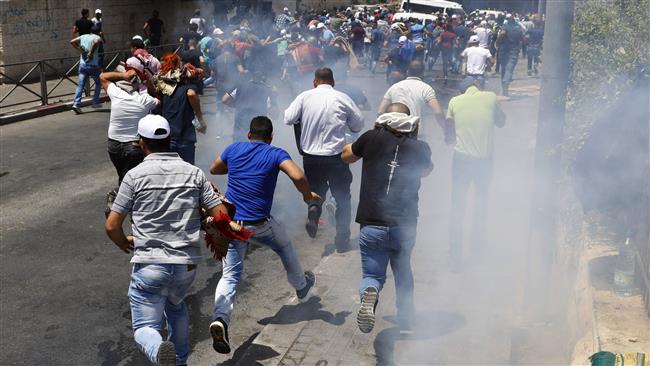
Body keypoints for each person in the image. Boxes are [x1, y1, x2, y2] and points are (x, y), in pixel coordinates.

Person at [105, 115, 230, 366]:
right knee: (176, 306)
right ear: (169, 140)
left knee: (144, 327)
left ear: (141, 143)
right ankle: (180, 360)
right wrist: (204, 223)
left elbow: (112, 225)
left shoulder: (134, 176)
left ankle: (159, 350)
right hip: (186, 266)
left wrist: (124, 242)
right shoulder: (193, 173)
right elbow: (222, 216)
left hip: (150, 264)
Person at [208, 116, 320, 354]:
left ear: (249, 134)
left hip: (231, 225)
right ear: (270, 137)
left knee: (229, 276)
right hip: (259, 224)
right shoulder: (275, 153)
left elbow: (215, 168)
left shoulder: (235, 148)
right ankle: (301, 286)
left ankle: (220, 319)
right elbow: (298, 176)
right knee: (285, 246)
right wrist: (307, 196)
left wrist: (236, 166)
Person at [341, 103, 433, 333]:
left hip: (372, 223)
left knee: (372, 274)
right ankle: (406, 321)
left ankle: (370, 293)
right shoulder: (420, 147)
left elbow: (346, 156)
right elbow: (426, 170)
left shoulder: (371, 138)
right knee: (403, 270)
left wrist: (372, 134)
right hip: (404, 225)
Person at [284, 68, 364, 252]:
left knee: (316, 193)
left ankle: (313, 210)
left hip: (311, 157)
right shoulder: (342, 98)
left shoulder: (304, 97)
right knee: (342, 198)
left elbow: (288, 118)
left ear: (315, 82)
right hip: (337, 157)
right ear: (333, 82)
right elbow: (358, 124)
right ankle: (342, 239)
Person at [446, 77, 506, 271]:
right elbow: (501, 122)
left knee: (458, 206)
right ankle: (477, 248)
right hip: (484, 161)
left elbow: (450, 128)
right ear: (477, 86)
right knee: (481, 203)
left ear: (462, 91)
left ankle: (455, 257)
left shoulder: (454, 102)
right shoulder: (490, 97)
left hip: (461, 160)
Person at [99, 67, 159, 215]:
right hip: (132, 146)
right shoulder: (144, 100)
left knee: (124, 176)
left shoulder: (116, 94)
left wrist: (123, 75)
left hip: (113, 144)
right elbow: (159, 98)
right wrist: (149, 82)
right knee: (132, 182)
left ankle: (124, 204)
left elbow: (103, 77)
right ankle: (118, 202)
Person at [378, 61, 448, 140]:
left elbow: (380, 112)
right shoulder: (426, 89)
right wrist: (445, 130)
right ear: (422, 73)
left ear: (408, 72)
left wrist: (378, 131)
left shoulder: (394, 87)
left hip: (395, 134)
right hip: (416, 135)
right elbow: (438, 112)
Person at [157, 53, 207, 164]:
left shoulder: (163, 85)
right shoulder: (187, 84)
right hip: (184, 137)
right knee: (187, 172)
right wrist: (200, 119)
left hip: (167, 136)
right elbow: (191, 94)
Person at [221, 72, 275, 141]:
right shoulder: (267, 89)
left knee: (240, 149)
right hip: (259, 133)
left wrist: (237, 104)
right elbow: (274, 113)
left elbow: (224, 99)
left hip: (240, 130)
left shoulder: (240, 85)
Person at [70, 31, 103, 114]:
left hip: (82, 65)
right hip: (93, 66)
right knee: (98, 83)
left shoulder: (83, 36)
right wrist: (91, 53)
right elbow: (96, 42)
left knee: (80, 85)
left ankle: (76, 104)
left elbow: (72, 41)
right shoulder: (97, 37)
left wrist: (79, 50)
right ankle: (95, 102)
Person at [497, 15, 524, 96]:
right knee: (509, 69)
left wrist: (497, 41)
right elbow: (523, 39)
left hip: (504, 50)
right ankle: (505, 87)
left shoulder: (505, 26)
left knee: (504, 69)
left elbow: (502, 33)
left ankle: (504, 86)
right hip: (514, 50)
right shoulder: (518, 28)